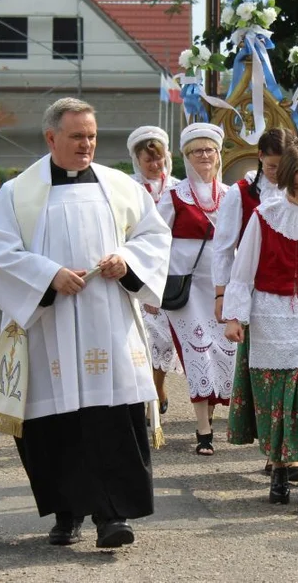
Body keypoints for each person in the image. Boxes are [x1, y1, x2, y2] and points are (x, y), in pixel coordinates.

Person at [0, 97, 171, 548]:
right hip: (51, 325)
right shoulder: (17, 193)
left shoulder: (120, 187)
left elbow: (153, 236)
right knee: (54, 423)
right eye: (76, 136)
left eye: (91, 136)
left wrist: (126, 260)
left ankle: (113, 516)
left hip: (108, 322)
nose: (86, 144)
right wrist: (49, 275)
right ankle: (66, 514)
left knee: (112, 419)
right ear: (51, 138)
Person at [223, 145, 298, 516]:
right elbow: (243, 272)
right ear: (286, 181)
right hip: (268, 317)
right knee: (276, 402)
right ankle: (278, 471)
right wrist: (234, 317)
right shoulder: (264, 217)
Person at [212, 127, 298, 468]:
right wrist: (223, 294)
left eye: (284, 164)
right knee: (264, 375)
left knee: (294, 373)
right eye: (274, 165)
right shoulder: (242, 194)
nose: (278, 171)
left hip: (294, 295)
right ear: (261, 158)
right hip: (256, 293)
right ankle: (272, 447)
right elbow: (223, 248)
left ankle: (288, 448)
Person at [156, 122, 231, 456]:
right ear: (186, 157)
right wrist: (149, 290)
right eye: (197, 151)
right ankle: (203, 429)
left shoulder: (230, 196)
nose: (205, 156)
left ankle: (211, 415)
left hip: (222, 289)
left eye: (210, 150)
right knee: (197, 352)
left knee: (221, 352)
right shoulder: (174, 197)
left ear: (218, 155)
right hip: (186, 291)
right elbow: (154, 242)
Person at [126, 126, 181, 414]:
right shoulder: (128, 189)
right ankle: (143, 393)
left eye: (159, 159)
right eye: (149, 160)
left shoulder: (177, 187)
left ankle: (158, 385)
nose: (155, 165)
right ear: (137, 160)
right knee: (141, 336)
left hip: (171, 270)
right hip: (139, 268)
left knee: (164, 338)